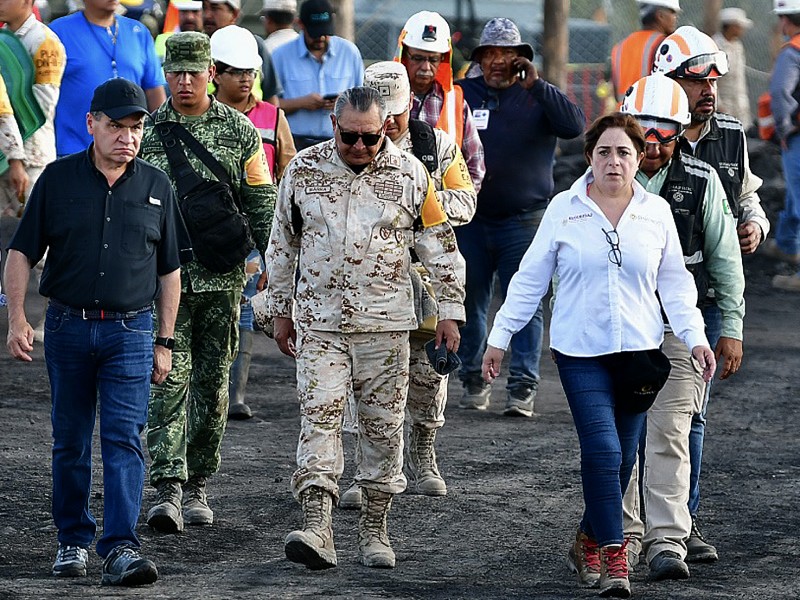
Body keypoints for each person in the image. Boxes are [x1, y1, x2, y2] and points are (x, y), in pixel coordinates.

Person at [482, 112, 715, 599]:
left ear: (639, 159)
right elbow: (528, 280)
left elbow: (675, 285)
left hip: (639, 355)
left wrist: (696, 337)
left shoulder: (655, 215)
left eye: (624, 152)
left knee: (625, 458)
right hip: (579, 351)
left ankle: (587, 536)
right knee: (605, 451)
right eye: (605, 152)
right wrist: (499, 337)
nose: (614, 161)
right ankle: (614, 556)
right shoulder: (564, 210)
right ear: (590, 158)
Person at [264, 86, 465, 570]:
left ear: (385, 130)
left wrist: (451, 310)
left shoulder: (411, 174)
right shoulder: (304, 172)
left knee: (381, 429)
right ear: (334, 126)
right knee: (320, 420)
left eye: (370, 139)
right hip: (320, 324)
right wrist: (278, 311)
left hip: (386, 326)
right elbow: (282, 244)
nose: (359, 148)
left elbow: (439, 243)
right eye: (349, 137)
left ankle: (375, 528)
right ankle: (317, 526)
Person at [4, 78, 182, 587]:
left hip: (132, 331)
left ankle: (122, 547)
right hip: (67, 327)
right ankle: (72, 542)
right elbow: (20, 252)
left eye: (135, 127)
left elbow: (169, 270)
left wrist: (164, 341)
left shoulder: (156, 186)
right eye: (115, 126)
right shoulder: (57, 181)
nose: (127, 136)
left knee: (125, 439)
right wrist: (18, 317)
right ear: (91, 125)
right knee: (71, 440)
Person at [141, 31, 276, 533]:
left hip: (221, 281)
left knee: (213, 386)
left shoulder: (240, 132)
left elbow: (262, 199)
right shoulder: (149, 131)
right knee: (166, 383)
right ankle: (168, 488)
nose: (183, 81)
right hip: (162, 285)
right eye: (174, 72)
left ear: (210, 75)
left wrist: (271, 263)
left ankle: (199, 483)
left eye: (193, 72)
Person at [618, 74, 744, 580]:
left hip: (677, 326)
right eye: (643, 131)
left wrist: (729, 327)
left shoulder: (702, 181)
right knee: (621, 439)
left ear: (680, 130)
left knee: (670, 434)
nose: (652, 145)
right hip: (618, 334)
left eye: (665, 133)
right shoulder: (600, 179)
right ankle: (621, 539)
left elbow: (725, 260)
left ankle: (667, 542)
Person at [335, 61, 476, 507]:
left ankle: (424, 450)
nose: (391, 120)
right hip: (370, 281)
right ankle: (366, 470)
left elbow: (467, 200)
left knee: (429, 374)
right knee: (367, 378)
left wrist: (420, 197)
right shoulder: (349, 148)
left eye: (397, 110)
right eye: (384, 110)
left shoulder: (437, 146)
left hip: (427, 276)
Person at [653, 25, 769, 561]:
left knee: (692, 414)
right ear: (667, 81)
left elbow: (748, 195)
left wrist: (753, 223)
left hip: (710, 296)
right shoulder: (644, 135)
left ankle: (682, 521)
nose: (709, 90)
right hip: (648, 295)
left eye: (713, 80)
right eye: (696, 80)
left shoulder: (732, 135)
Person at [455, 17, 584, 416]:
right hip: (471, 219)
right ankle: (473, 377)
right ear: (479, 58)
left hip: (524, 220)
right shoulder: (461, 94)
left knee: (525, 301)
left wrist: (538, 85)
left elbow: (575, 126)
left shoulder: (538, 96)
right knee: (469, 301)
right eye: (490, 54)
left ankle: (522, 386)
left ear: (520, 60)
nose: (498, 62)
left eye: (507, 55)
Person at [210, 24, 296, 419]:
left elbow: (289, 173)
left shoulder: (272, 116)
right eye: (237, 72)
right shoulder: (202, 117)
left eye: (251, 72)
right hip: (210, 231)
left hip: (254, 232)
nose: (245, 79)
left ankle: (235, 395)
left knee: (245, 310)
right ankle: (209, 391)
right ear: (216, 73)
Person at [50, 0, 167, 157]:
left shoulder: (138, 32)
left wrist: (164, 139)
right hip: (73, 153)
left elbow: (154, 92)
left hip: (129, 153)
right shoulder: (58, 32)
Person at [395, 10, 484, 189]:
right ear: (404, 55)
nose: (426, 67)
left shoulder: (456, 104)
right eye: (418, 58)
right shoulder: (384, 100)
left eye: (433, 59)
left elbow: (475, 166)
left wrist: (453, 208)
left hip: (442, 211)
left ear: (443, 59)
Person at [271, 0, 364, 150]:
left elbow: (363, 100)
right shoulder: (280, 56)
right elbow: (269, 106)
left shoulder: (349, 53)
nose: (321, 38)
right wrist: (302, 103)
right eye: (315, 33)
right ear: (300, 24)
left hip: (340, 143)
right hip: (294, 142)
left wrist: (344, 103)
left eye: (325, 33)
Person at [766, 1, 800, 290]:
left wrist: (785, 128)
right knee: (794, 194)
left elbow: (779, 92)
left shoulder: (793, 52)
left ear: (786, 21)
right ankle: (788, 244)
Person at [201, 0, 281, 106]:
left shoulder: (254, 44)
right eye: (204, 8)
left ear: (235, 14)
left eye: (215, 8)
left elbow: (271, 97)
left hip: (253, 120)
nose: (207, 15)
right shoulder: (197, 47)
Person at [610, 0, 680, 102]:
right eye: (672, 12)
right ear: (660, 15)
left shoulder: (619, 47)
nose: (676, 18)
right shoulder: (665, 45)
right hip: (650, 113)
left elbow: (616, 93)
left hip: (622, 115)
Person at [714, 8, 753, 127]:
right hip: (723, 106)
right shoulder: (715, 45)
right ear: (731, 26)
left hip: (739, 105)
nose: (742, 30)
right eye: (739, 26)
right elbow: (712, 79)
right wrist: (718, 105)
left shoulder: (738, 46)